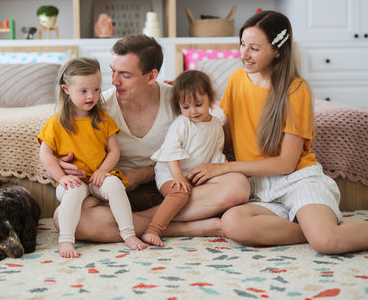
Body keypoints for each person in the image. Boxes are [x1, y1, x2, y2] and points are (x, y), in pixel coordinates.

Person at [188, 10, 368, 254]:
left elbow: (286, 164)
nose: (244, 54)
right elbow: (226, 136)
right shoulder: (236, 79)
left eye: (254, 48)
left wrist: (224, 168)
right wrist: (191, 119)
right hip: (258, 187)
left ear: (277, 51)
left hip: (297, 180)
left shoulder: (296, 90)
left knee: (328, 242)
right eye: (242, 44)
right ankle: (312, 229)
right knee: (233, 224)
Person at [55, 34, 249, 242]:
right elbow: (61, 134)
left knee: (238, 186)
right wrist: (60, 163)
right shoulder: (97, 106)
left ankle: (144, 224)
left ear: (151, 76)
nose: (114, 81)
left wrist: (144, 174)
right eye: (113, 72)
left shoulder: (179, 100)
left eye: (125, 75)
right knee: (65, 219)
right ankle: (185, 227)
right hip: (123, 194)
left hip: (176, 184)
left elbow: (209, 130)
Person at [39, 57, 146, 258]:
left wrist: (103, 170)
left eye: (96, 89)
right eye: (84, 91)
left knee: (115, 185)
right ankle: (66, 240)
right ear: (66, 90)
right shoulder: (57, 122)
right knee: (72, 192)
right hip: (73, 180)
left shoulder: (103, 119)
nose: (92, 96)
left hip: (98, 177)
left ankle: (129, 234)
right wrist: (61, 178)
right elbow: (45, 154)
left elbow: (114, 151)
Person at [142, 70, 249, 247]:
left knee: (227, 189)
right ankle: (154, 228)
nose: (193, 112)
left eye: (198, 104)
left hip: (193, 174)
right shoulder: (182, 124)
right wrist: (177, 177)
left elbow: (216, 154)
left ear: (211, 99)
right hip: (170, 172)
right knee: (180, 193)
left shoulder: (215, 125)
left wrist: (219, 174)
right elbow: (170, 152)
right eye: (186, 107)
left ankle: (186, 220)